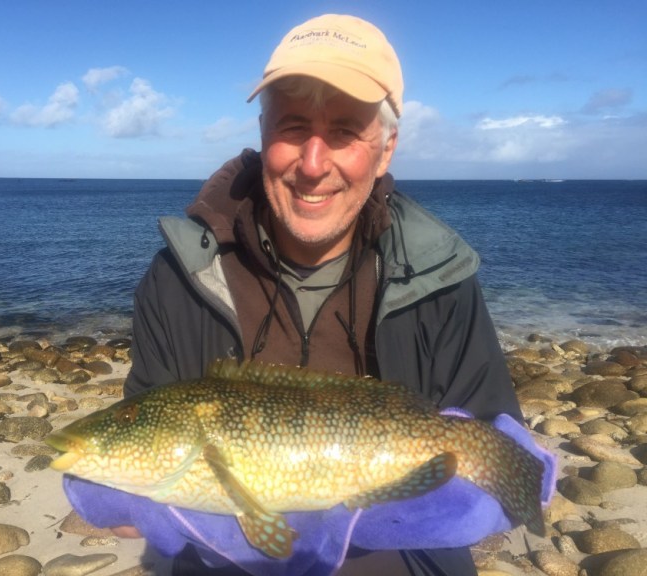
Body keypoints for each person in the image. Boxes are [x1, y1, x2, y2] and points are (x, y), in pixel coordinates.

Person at [118, 13, 523, 576]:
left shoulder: (441, 278)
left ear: (384, 150)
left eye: (344, 131)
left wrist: (494, 480)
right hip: (220, 553)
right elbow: (148, 429)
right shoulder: (178, 279)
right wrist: (127, 497)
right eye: (292, 126)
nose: (313, 165)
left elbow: (487, 434)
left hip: (402, 542)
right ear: (263, 135)